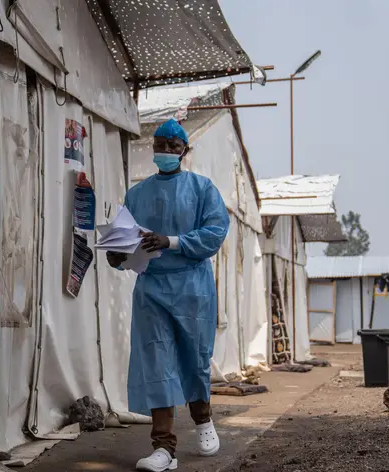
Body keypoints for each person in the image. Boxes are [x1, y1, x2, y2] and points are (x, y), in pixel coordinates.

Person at [106, 119, 229, 472]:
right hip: (152, 290)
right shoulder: (136, 194)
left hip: (192, 288)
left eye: (173, 145)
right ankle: (164, 448)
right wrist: (118, 256)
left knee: (195, 358)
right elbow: (126, 243)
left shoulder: (203, 188)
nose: (165, 150)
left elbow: (214, 234)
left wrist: (170, 241)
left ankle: (203, 419)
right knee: (156, 363)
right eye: (160, 144)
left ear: (184, 151)